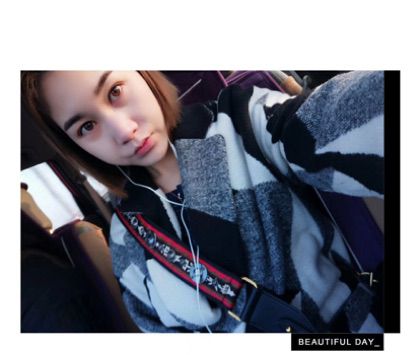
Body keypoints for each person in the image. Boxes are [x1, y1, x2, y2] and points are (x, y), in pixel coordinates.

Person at [21, 70, 384, 333]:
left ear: (142, 74)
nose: (123, 130)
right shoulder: (124, 235)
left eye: (115, 91)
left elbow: (331, 122)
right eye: (87, 127)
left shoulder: (244, 121)